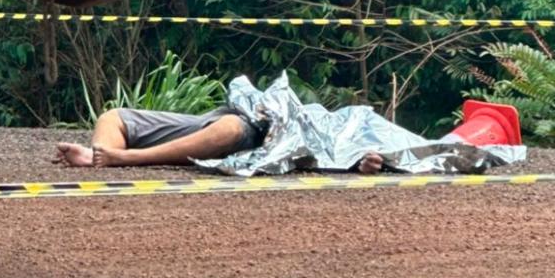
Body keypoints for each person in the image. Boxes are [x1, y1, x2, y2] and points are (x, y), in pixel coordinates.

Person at [55, 106, 385, 173]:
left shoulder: (353, 133)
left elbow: (337, 151)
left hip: (251, 137)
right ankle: (100, 153)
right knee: (113, 116)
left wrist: (361, 163)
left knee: (229, 130)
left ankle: (125, 158)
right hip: (234, 117)